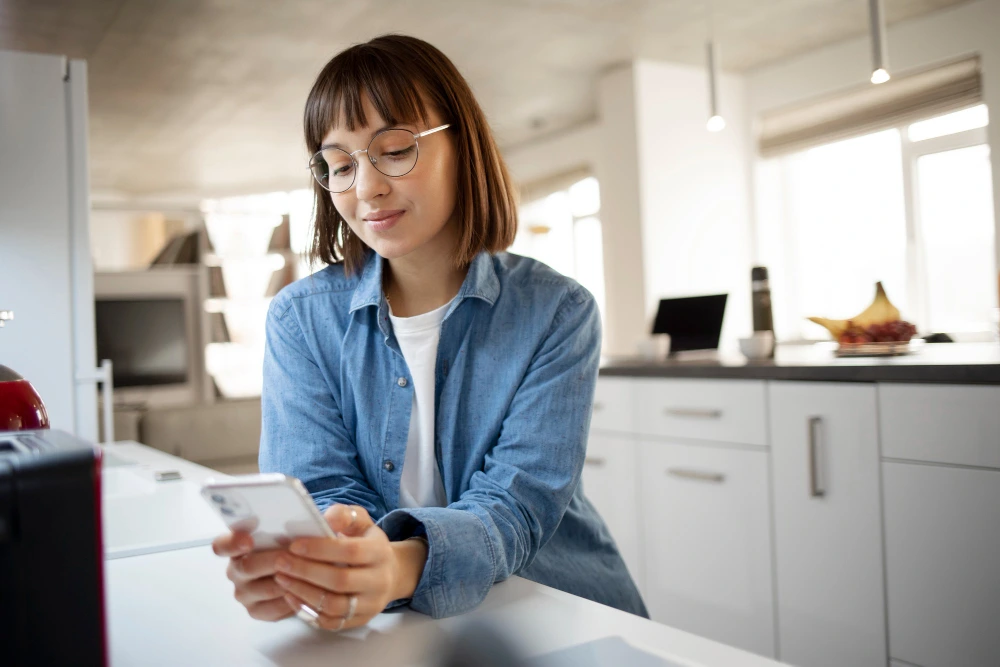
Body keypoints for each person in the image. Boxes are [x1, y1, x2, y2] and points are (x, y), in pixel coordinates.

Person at [211, 33, 647, 631]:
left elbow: (516, 507)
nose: (366, 189)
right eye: (340, 165)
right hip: (404, 628)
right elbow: (324, 494)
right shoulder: (300, 321)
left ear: (463, 145)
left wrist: (393, 567)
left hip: (553, 606)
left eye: (393, 150)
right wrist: (322, 565)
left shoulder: (557, 312)